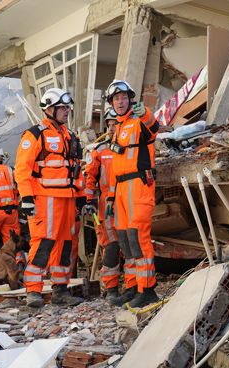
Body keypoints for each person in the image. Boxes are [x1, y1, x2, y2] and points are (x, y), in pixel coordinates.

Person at [15, 87, 83, 308]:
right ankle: (33, 291)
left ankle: (60, 290)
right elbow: (22, 169)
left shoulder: (70, 136)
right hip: (45, 198)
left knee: (65, 244)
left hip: (67, 199)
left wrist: (81, 196)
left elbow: (76, 169)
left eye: (67, 108)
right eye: (61, 108)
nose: (66, 112)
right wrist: (26, 197)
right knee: (43, 242)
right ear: (50, 110)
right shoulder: (35, 134)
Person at [105, 80, 160, 308]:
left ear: (130, 99)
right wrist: (110, 197)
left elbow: (154, 128)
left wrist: (145, 113)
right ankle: (132, 287)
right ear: (111, 102)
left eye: (124, 97)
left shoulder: (139, 121)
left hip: (138, 185)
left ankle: (147, 289)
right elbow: (115, 166)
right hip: (120, 189)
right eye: (116, 98)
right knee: (126, 241)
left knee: (139, 238)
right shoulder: (116, 127)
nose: (120, 101)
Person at [82, 108, 137, 306]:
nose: (113, 128)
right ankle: (112, 289)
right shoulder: (99, 150)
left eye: (116, 123)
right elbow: (90, 177)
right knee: (111, 246)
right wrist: (88, 202)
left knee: (130, 245)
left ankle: (131, 288)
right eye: (110, 124)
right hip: (106, 206)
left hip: (127, 201)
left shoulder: (130, 147)